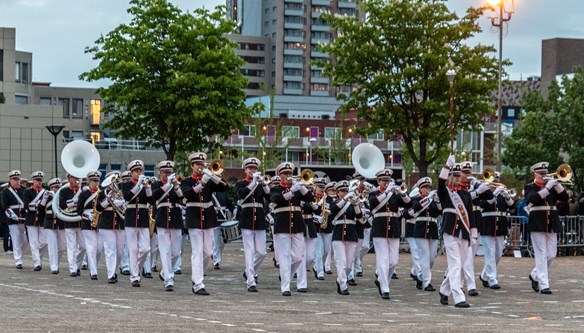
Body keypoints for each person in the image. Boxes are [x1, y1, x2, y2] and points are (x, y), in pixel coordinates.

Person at [181, 152, 229, 296]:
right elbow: (187, 194)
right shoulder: (187, 181)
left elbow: (225, 187)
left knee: (208, 252)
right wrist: (202, 182)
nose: (201, 167)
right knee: (197, 251)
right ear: (192, 166)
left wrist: (213, 177)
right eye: (198, 165)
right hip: (194, 217)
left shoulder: (209, 180)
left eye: (202, 164)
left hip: (208, 218)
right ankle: (198, 283)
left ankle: (197, 277)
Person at [437, 157, 480, 308]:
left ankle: (444, 290)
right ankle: (458, 296)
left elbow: (470, 215)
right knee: (455, 263)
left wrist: (473, 234)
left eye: (457, 176)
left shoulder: (466, 194)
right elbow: (440, 182)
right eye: (453, 175)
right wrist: (447, 165)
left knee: (460, 265)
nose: (455, 179)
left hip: (465, 233)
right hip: (450, 231)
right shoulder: (445, 192)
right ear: (449, 176)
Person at [270, 162, 313, 296]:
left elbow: (310, 198)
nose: (288, 176)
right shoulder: (276, 189)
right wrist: (292, 190)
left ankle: (286, 276)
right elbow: (277, 199)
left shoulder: (297, 189)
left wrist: (302, 187)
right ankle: (285, 287)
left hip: (297, 225)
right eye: (285, 174)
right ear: (280, 175)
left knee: (299, 257)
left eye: (290, 173)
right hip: (282, 225)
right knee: (284, 257)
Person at [525, 162, 569, 294]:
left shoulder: (552, 187)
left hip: (552, 222)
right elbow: (533, 198)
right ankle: (544, 284)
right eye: (540, 174)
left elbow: (565, 198)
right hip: (537, 223)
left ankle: (535, 275)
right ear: (535, 174)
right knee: (541, 254)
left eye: (545, 173)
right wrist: (547, 189)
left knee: (551, 254)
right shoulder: (530, 187)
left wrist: (558, 184)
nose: (543, 176)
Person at [369, 169, 412, 299]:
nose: (386, 183)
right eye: (384, 181)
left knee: (393, 261)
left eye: (388, 181)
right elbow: (373, 203)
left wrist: (402, 193)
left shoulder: (394, 195)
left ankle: (383, 281)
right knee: (383, 260)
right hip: (380, 228)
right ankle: (385, 289)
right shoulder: (373, 193)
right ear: (378, 181)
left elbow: (409, 203)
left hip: (393, 228)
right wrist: (387, 192)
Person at [236, 157, 270, 292]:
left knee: (262, 252)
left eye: (255, 169)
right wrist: (253, 182)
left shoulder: (261, 184)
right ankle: (251, 281)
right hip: (246, 219)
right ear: (245, 170)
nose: (253, 170)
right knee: (249, 252)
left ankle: (250, 271)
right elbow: (241, 194)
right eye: (250, 168)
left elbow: (269, 196)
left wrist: (264, 184)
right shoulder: (241, 183)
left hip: (260, 220)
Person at [121, 160, 154, 287]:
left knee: (145, 249)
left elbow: (151, 200)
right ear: (131, 173)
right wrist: (138, 184)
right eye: (136, 171)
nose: (139, 173)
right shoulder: (126, 184)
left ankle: (136, 269)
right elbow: (127, 197)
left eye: (140, 171)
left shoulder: (145, 185)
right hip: (130, 217)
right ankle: (134, 276)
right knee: (133, 249)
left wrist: (148, 187)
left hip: (143, 218)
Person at [152, 161, 184, 291]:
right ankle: (168, 279)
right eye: (165, 172)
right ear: (160, 173)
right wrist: (167, 185)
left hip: (176, 218)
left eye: (170, 172)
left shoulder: (176, 185)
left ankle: (165, 272)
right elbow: (154, 196)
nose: (168, 174)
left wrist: (175, 186)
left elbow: (182, 197)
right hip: (162, 218)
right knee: (165, 251)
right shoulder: (156, 184)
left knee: (176, 252)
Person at [406, 177, 441, 291]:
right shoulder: (416, 199)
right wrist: (428, 199)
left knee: (432, 257)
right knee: (424, 256)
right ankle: (427, 282)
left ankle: (420, 276)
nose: (427, 190)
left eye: (429, 188)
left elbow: (440, 211)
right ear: (420, 190)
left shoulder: (433, 200)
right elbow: (414, 209)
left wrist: (437, 201)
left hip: (433, 229)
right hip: (420, 228)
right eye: (425, 188)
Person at [479, 183, 514, 290]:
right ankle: (492, 279)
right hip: (488, 225)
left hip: (500, 226)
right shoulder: (483, 194)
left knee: (498, 253)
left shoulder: (502, 195)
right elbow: (484, 205)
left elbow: (512, 206)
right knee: (490, 253)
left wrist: (507, 196)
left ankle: (484, 276)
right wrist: (494, 193)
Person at [329, 180, 362, 295]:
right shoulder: (334, 202)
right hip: (338, 234)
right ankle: (343, 286)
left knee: (348, 264)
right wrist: (345, 199)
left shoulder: (351, 203)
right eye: (342, 191)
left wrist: (356, 203)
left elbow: (359, 216)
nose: (344, 193)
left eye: (346, 191)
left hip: (351, 234)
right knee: (341, 261)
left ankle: (340, 280)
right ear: (337, 193)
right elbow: (334, 210)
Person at [96, 171, 126, 284]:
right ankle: (111, 274)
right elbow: (98, 208)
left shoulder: (122, 192)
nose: (115, 182)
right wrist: (107, 200)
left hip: (120, 223)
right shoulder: (102, 193)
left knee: (120, 251)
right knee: (110, 250)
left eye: (117, 179)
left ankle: (114, 270)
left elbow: (127, 205)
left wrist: (122, 201)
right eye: (113, 180)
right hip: (107, 224)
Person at [77, 171, 104, 280]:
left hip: (99, 222)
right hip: (87, 223)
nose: (95, 183)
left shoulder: (102, 193)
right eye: (93, 181)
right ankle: (93, 271)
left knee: (99, 248)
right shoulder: (83, 194)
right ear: (89, 181)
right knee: (91, 247)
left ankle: (85, 266)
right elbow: (79, 210)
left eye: (97, 181)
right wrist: (86, 215)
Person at [59, 172, 86, 277]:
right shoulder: (64, 191)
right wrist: (74, 201)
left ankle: (77, 265)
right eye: (74, 177)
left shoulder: (83, 190)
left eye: (78, 177)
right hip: (69, 220)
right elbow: (61, 205)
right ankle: (72, 269)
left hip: (80, 221)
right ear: (69, 178)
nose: (77, 179)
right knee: (72, 247)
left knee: (83, 247)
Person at [2, 170, 28, 268]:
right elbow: (5, 205)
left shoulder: (25, 190)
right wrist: (11, 214)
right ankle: (18, 261)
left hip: (24, 219)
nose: (17, 181)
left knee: (26, 240)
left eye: (18, 179)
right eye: (14, 179)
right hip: (13, 220)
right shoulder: (6, 192)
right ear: (10, 180)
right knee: (16, 239)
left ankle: (20, 255)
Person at [39, 178, 65, 274]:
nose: (56, 189)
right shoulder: (46, 196)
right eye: (55, 187)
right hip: (49, 222)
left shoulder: (62, 195)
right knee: (52, 245)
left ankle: (56, 262)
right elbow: (40, 210)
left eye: (58, 187)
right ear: (50, 188)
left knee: (62, 247)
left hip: (60, 222)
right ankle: (53, 266)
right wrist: (45, 198)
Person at [24, 171, 48, 271]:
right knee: (33, 242)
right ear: (33, 181)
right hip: (31, 219)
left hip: (42, 219)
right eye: (37, 180)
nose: (38, 182)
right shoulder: (28, 191)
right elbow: (26, 205)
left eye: (40, 180)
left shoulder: (45, 192)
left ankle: (39, 258)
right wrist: (37, 205)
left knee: (44, 242)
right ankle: (37, 263)